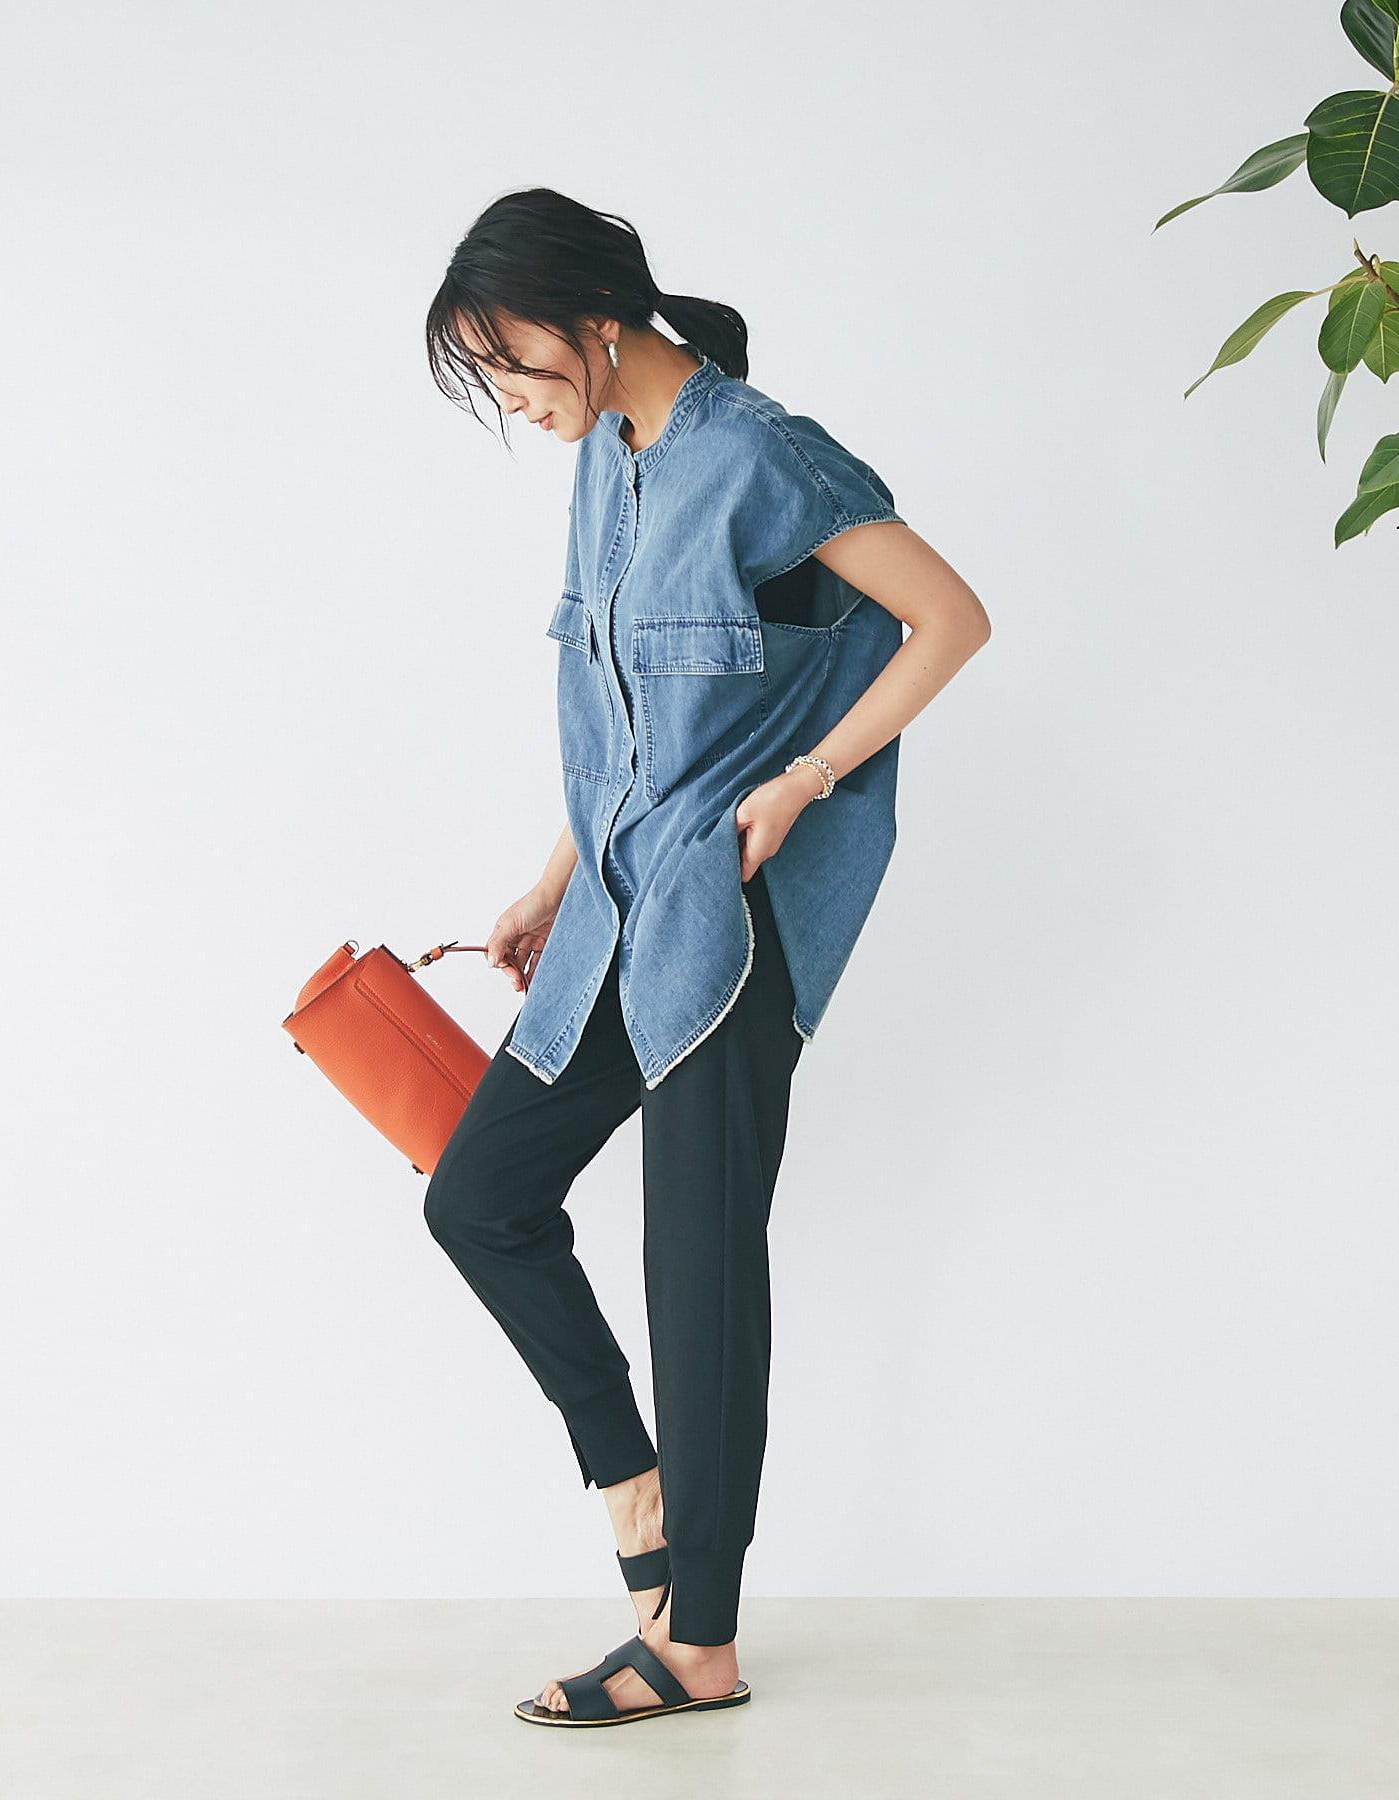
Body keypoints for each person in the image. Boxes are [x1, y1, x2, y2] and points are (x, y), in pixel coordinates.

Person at [420, 187, 991, 1728]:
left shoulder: (762, 454)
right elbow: (620, 716)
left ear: (598, 319)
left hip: (728, 926)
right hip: (615, 910)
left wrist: (806, 781)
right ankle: (637, 1492)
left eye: (516, 362)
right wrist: (550, 880)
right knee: (478, 1199)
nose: (514, 400)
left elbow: (950, 619)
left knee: (698, 1267)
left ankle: (699, 1645)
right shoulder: (603, 460)